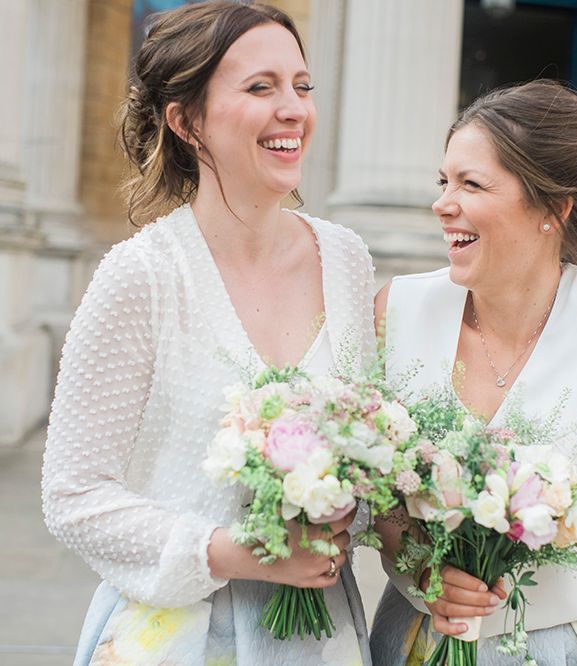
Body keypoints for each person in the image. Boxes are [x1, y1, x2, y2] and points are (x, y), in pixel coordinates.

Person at [41, 4, 375, 664]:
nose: (294, 109)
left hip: (319, 638)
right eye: (261, 88)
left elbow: (371, 442)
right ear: (187, 122)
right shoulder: (142, 276)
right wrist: (231, 552)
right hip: (175, 638)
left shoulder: (347, 261)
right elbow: (72, 495)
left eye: (301, 87)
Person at [370, 79, 577, 665]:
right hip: (411, 640)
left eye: (471, 183)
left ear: (553, 208)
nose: (442, 202)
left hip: (560, 647)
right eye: (444, 181)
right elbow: (379, 498)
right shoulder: (396, 311)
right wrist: (426, 566)